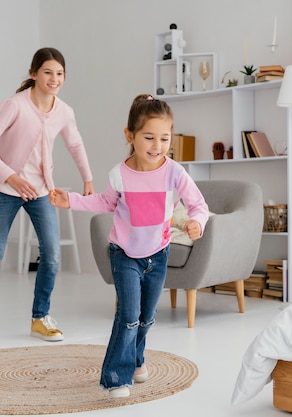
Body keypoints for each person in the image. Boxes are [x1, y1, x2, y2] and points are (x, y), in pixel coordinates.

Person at [48, 94, 209, 397]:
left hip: (158, 254)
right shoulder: (119, 174)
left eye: (164, 138)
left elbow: (198, 205)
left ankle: (136, 359)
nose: (157, 145)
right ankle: (116, 377)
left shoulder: (175, 172)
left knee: (147, 317)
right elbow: (105, 202)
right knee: (128, 315)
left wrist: (197, 223)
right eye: (149, 137)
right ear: (130, 136)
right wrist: (70, 200)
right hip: (124, 255)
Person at [0, 47, 95, 342]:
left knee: (51, 253)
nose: (54, 78)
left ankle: (40, 317)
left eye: (60, 73)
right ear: (34, 74)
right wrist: (10, 177)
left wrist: (87, 178)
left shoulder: (64, 111)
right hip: (5, 189)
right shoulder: (14, 105)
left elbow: (75, 145)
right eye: (48, 72)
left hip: (40, 191)